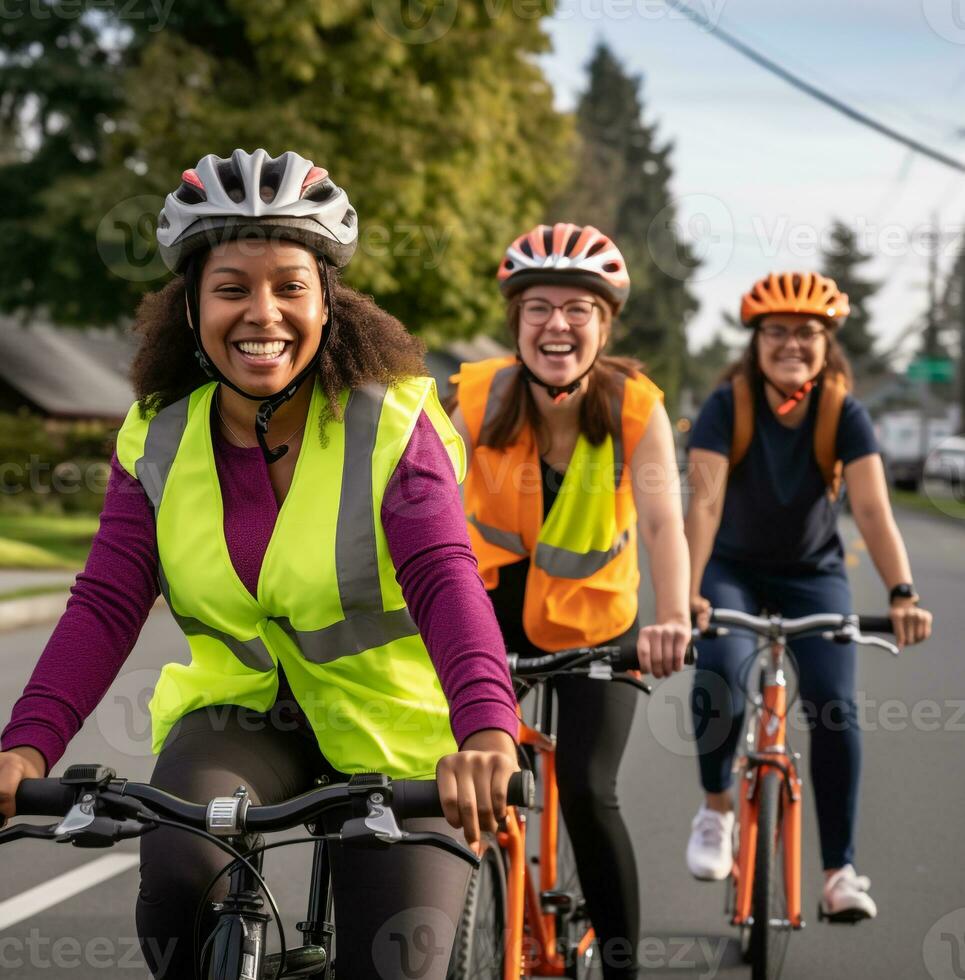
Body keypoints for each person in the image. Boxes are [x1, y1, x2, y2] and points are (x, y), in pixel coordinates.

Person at [0, 148, 522, 979]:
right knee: (180, 874)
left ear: (328, 303)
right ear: (193, 306)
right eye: (232, 288)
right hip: (244, 718)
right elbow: (105, 603)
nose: (262, 314)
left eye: (289, 286)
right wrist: (26, 749)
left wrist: (488, 734)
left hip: (395, 727)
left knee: (396, 960)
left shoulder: (389, 425)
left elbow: (444, 576)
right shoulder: (158, 436)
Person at [448, 222, 692, 979]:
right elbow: (428, 501)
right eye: (538, 308)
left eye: (577, 309)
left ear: (603, 324)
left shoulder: (632, 406)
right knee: (460, 783)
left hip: (599, 632)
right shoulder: (480, 395)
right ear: (516, 322)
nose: (557, 324)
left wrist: (673, 616)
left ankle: (619, 969)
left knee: (586, 790)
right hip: (489, 623)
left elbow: (661, 522)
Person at [684, 271, 932, 920]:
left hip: (811, 574)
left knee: (833, 707)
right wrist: (686, 592)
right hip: (731, 568)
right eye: (776, 332)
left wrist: (901, 592)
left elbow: (873, 511)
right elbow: (703, 503)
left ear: (826, 345)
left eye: (807, 333)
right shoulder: (726, 405)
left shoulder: (841, 411)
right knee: (717, 672)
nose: (790, 344)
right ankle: (715, 809)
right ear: (754, 341)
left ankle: (838, 872)